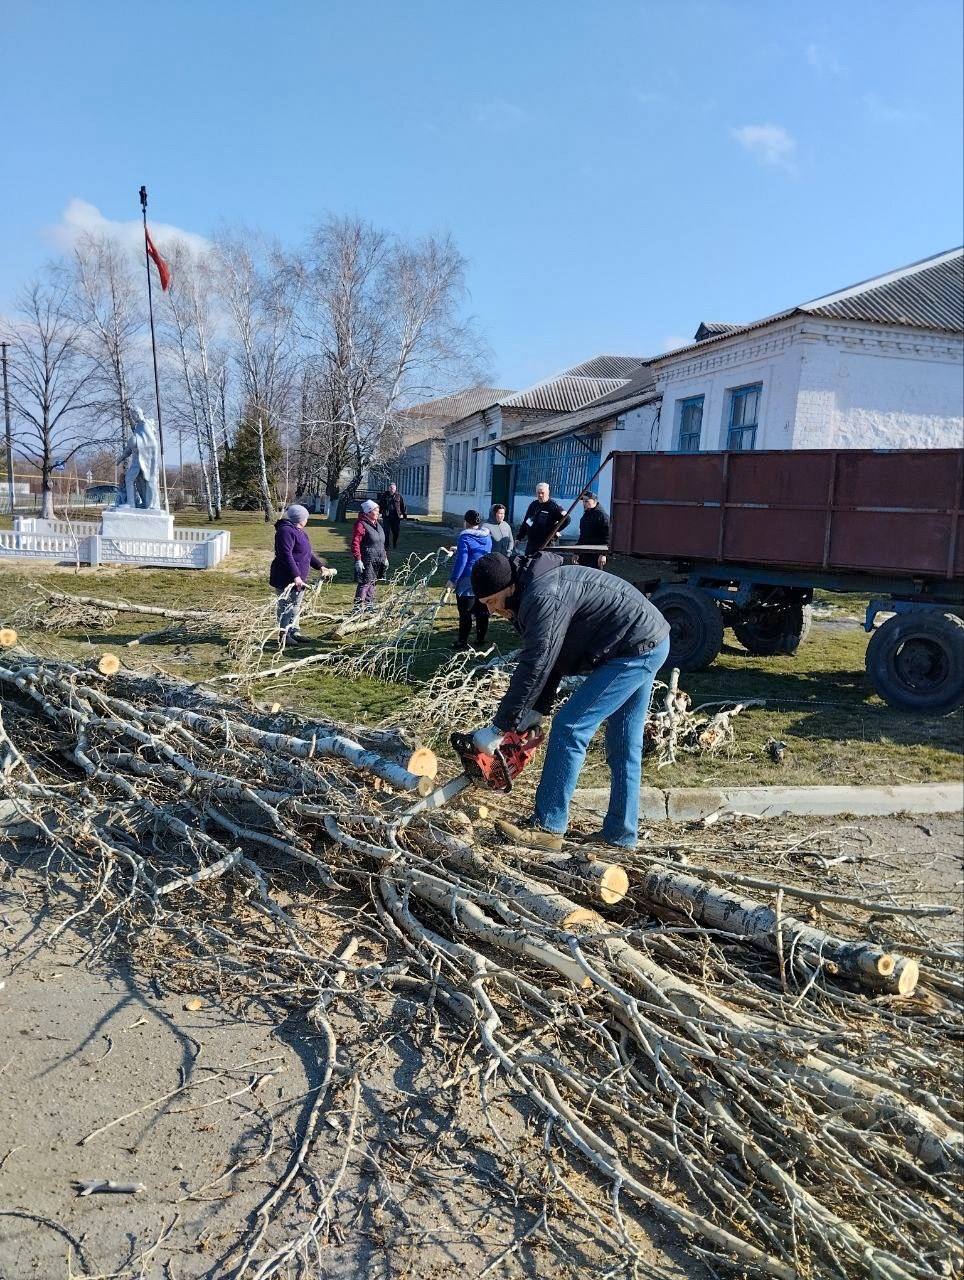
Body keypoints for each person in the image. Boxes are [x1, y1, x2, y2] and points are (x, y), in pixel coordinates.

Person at [468, 550, 670, 852]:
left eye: (490, 602)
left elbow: (536, 663)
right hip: (638, 640)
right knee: (624, 744)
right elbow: (552, 657)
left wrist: (499, 727)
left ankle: (548, 827)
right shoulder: (530, 592)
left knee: (570, 727)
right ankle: (620, 835)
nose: (491, 610)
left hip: (634, 647)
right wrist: (536, 710)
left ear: (505, 588)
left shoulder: (542, 595)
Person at [268, 504, 327, 647]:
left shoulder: (300, 532)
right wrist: (295, 576)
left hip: (299, 577)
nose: (307, 519)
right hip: (286, 576)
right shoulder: (285, 531)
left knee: (296, 606)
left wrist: (320, 566)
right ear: (300, 518)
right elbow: (286, 555)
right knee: (286, 607)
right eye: (306, 517)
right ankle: (284, 635)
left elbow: (307, 554)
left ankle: (294, 631)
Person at [447, 510, 493, 649]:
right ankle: (480, 639)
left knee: (465, 612)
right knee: (482, 610)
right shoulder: (487, 536)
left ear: (466, 522)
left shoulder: (465, 537)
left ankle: (462, 641)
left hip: (468, 578)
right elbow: (479, 551)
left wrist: (453, 579)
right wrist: (459, 549)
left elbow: (463, 560)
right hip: (484, 576)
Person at [351, 499, 389, 608]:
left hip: (378, 558)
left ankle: (369, 605)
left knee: (373, 582)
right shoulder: (361, 524)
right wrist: (358, 559)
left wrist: (385, 557)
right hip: (367, 559)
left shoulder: (377, 524)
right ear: (368, 512)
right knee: (365, 583)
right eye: (375, 511)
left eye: (378, 511)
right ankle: (358, 608)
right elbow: (355, 543)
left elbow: (381, 543)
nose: (378, 513)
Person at [517, 482, 569, 555]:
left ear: (548, 493)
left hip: (545, 544)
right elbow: (526, 521)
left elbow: (567, 520)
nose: (540, 495)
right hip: (531, 543)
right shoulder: (533, 505)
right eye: (538, 493)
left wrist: (554, 531)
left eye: (542, 493)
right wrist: (519, 537)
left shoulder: (554, 506)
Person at [577, 492, 610, 569]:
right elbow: (582, 536)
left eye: (587, 501)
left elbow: (608, 537)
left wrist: (603, 554)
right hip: (584, 554)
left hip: (596, 555)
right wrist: (577, 553)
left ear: (595, 501)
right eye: (583, 501)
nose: (584, 504)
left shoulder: (602, 516)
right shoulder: (585, 516)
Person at [377, 482, 408, 550]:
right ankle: (386, 546)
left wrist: (404, 515)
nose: (392, 490)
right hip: (386, 517)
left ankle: (394, 544)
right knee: (386, 532)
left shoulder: (399, 496)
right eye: (390, 488)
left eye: (393, 488)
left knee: (396, 532)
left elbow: (403, 506)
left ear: (395, 489)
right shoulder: (384, 495)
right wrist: (378, 513)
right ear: (388, 488)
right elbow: (380, 505)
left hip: (396, 517)